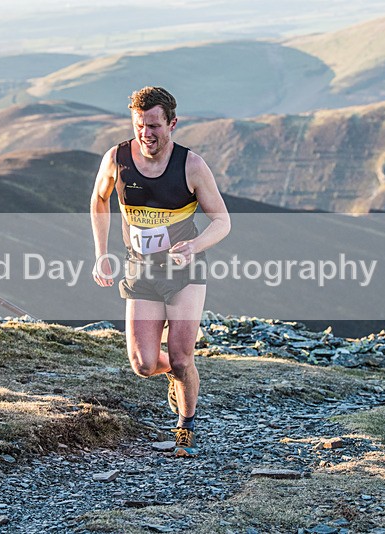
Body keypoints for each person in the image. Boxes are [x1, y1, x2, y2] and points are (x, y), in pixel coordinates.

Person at [90, 86, 230, 457]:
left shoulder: (192, 165)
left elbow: (222, 222)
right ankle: (178, 377)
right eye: (140, 125)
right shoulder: (117, 159)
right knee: (143, 363)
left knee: (184, 356)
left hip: (184, 270)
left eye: (154, 125)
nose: (146, 133)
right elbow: (99, 199)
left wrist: (194, 246)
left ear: (172, 124)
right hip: (140, 269)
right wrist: (101, 253)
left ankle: (185, 424)